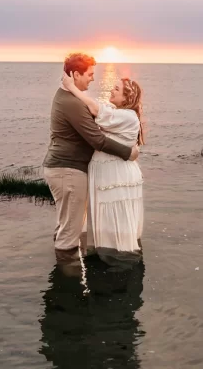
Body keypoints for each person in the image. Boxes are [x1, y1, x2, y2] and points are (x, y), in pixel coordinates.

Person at [42, 53, 139, 259]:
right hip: (68, 171)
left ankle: (66, 271)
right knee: (70, 231)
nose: (93, 78)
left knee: (66, 223)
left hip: (63, 169)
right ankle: (68, 277)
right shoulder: (72, 103)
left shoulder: (67, 96)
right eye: (89, 74)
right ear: (76, 75)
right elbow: (97, 140)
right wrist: (128, 152)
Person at [61, 71, 144, 266]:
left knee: (115, 217)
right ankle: (105, 257)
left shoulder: (128, 116)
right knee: (106, 217)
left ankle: (118, 262)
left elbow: (96, 109)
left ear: (127, 98)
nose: (111, 90)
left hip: (116, 174)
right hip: (107, 172)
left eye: (117, 89)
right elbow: (94, 106)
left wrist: (72, 87)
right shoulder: (116, 111)